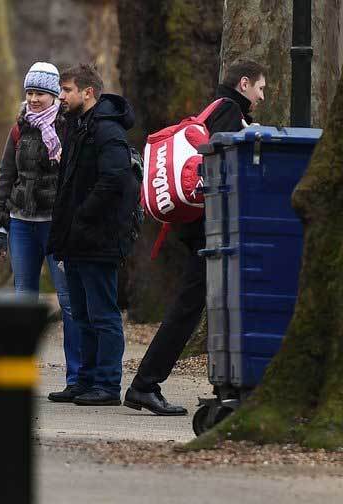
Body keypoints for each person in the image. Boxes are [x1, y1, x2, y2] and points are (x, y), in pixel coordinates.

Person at [124, 60, 266, 416]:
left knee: (205, 304)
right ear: (244, 83)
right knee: (187, 309)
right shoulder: (231, 111)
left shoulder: (215, 107)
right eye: (261, 88)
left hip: (195, 224)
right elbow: (223, 169)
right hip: (209, 227)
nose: (262, 96)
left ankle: (218, 382)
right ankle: (145, 384)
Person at [0, 62, 81, 397]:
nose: (34, 99)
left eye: (40, 93)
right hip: (22, 224)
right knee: (22, 301)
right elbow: (6, 177)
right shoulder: (19, 128)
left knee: (68, 302)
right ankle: (19, 376)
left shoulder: (70, 128)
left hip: (55, 227)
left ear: (54, 95)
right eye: (29, 93)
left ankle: (76, 378)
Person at [47, 63, 137, 406]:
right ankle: (84, 381)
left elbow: (115, 180)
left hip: (99, 238)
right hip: (78, 239)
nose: (61, 97)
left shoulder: (107, 130)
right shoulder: (76, 126)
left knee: (102, 314)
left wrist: (83, 216)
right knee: (82, 314)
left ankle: (107, 385)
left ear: (88, 92)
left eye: (67, 90)